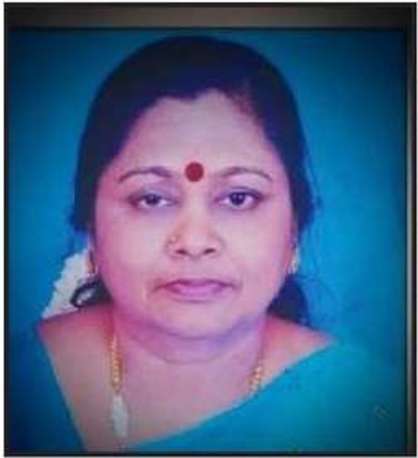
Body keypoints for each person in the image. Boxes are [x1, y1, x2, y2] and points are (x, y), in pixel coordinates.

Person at [9, 35, 405, 454]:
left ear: (294, 227)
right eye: (152, 199)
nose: (194, 242)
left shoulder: (369, 412)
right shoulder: (18, 388)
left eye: (239, 198)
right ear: (91, 226)